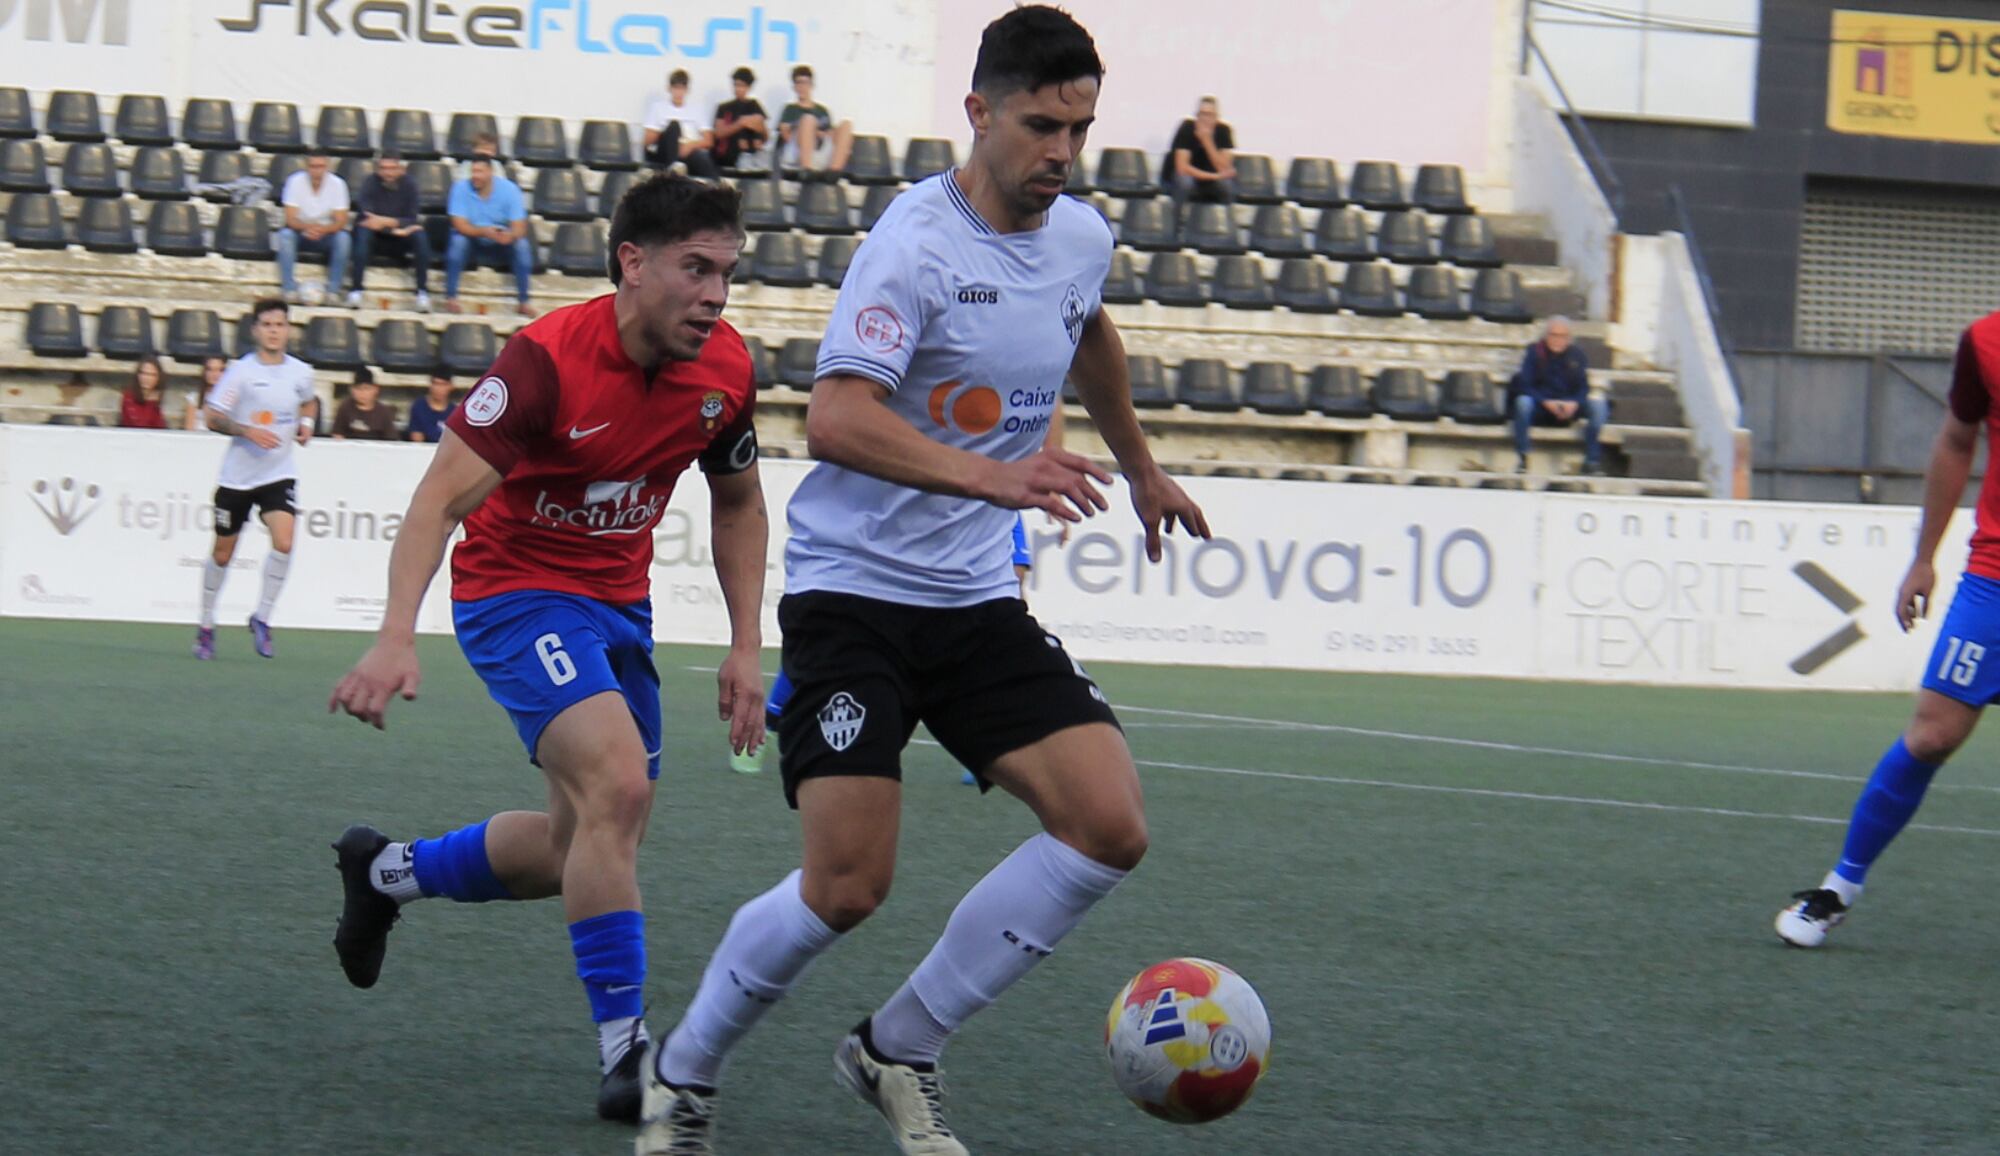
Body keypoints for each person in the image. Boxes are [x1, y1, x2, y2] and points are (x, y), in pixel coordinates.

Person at [640, 10, 1210, 1154]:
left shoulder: (1079, 237)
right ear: (979, 113)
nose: (1060, 150)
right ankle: (684, 1068)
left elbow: (1086, 328)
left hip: (971, 604)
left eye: (1078, 128)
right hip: (853, 595)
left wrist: (1141, 466)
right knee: (847, 884)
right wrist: (993, 478)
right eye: (1041, 125)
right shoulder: (913, 243)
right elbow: (838, 417)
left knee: (1107, 824)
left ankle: (896, 1045)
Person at [325, 174, 767, 1126]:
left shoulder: (727, 370)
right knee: (620, 785)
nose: (715, 295)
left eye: (726, 273)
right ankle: (627, 1056)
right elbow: (438, 502)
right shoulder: (544, 363)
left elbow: (738, 505)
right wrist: (396, 635)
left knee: (580, 846)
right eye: (696, 269)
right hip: (515, 595)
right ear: (631, 263)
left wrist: (745, 646)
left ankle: (384, 873)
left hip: (619, 612)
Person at [1775, 311, 2000, 947]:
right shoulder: (1985, 340)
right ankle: (1838, 891)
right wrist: (1924, 556)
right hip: (1995, 578)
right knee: (1931, 736)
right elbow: (1957, 440)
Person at [195, 298, 318, 661]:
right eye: (267, 325)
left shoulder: (300, 371)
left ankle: (262, 617)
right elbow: (213, 415)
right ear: (255, 330)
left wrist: (307, 425)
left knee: (284, 542)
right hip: (238, 478)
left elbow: (309, 402)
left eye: (280, 324)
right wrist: (246, 430)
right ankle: (205, 624)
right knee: (223, 552)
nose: (274, 331)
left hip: (277, 474)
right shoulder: (241, 373)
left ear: (288, 329)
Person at [1509, 316, 1606, 475]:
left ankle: (1592, 461)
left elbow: (1583, 387)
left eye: (1562, 336)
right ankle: (1523, 457)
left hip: (1569, 406)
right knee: (1522, 403)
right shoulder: (1534, 352)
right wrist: (1546, 402)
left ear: (1569, 338)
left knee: (1599, 407)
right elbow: (1525, 384)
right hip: (1540, 407)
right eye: (1554, 335)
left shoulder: (1577, 355)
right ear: (1546, 335)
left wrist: (1574, 403)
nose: (1557, 340)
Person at [444, 157, 535, 318]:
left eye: (480, 172)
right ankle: (451, 297)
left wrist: (510, 236)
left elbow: (519, 227)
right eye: (473, 171)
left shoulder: (510, 190)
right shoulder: (460, 189)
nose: (475, 176)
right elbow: (459, 224)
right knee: (458, 241)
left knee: (521, 245)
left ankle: (524, 301)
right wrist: (484, 232)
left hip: (500, 242)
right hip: (472, 240)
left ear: (490, 172)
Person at [349, 150, 433, 313]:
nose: (387, 173)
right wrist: (396, 228)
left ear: (401, 169)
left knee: (420, 236)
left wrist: (387, 223)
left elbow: (412, 219)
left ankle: (422, 292)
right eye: (383, 168)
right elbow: (369, 219)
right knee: (363, 231)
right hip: (377, 238)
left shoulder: (410, 185)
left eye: (392, 168)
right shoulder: (370, 182)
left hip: (400, 240)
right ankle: (355, 290)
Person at [277, 149, 352, 306]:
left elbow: (341, 221)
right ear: (306, 166)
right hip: (300, 232)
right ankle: (289, 289)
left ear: (328, 166)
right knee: (285, 236)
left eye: (321, 166)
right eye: (313, 166)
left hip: (326, 234)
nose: (316, 170)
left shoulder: (338, 184)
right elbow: (290, 218)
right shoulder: (294, 181)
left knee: (344, 239)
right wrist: (308, 228)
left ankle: (333, 291)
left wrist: (321, 230)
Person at [1161, 96, 1236, 218]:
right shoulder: (1187, 128)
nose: (1205, 119)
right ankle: (1175, 229)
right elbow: (1182, 168)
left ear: (1216, 117)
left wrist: (1207, 142)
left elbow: (1225, 167)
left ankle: (1227, 226)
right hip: (1189, 177)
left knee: (1227, 185)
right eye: (1202, 114)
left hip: (1210, 180)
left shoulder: (1223, 130)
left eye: (1209, 115)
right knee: (1185, 182)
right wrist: (1215, 176)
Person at [777, 64, 855, 177]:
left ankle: (834, 171)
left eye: (805, 83)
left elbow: (830, 134)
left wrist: (820, 134)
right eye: (799, 83)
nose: (802, 87)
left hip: (820, 149)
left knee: (847, 124)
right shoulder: (790, 109)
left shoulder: (822, 110)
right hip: (798, 151)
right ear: (794, 87)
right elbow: (785, 134)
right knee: (808, 120)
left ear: (811, 85)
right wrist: (808, 132)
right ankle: (806, 169)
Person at [643, 68, 721, 178]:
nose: (678, 92)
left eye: (681, 88)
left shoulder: (697, 110)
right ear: (669, 88)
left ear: (687, 90)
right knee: (674, 126)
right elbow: (648, 140)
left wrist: (690, 145)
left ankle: (717, 186)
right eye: (676, 88)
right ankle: (673, 167)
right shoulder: (658, 108)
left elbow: (708, 141)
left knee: (703, 160)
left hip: (688, 149)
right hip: (665, 150)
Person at [709, 66, 768, 171]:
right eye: (736, 85)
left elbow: (765, 134)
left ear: (749, 87)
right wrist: (740, 124)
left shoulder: (754, 105)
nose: (738, 89)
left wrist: (756, 125)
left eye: (742, 86)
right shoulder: (724, 107)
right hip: (729, 155)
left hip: (751, 155)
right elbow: (718, 133)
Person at [331, 368, 397, 440]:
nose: (362, 393)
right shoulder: (345, 408)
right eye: (358, 389)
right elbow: (337, 434)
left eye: (367, 389)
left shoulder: (384, 412)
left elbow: (391, 439)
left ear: (376, 389)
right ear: (352, 390)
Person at [405, 370, 457, 443]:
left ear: (450, 386)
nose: (439, 389)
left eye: (443, 385)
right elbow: (416, 439)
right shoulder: (419, 407)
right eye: (436, 384)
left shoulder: (455, 412)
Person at [118, 356, 168, 429]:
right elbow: (139, 425)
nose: (147, 378)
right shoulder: (128, 396)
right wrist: (150, 403)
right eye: (143, 373)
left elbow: (159, 428)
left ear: (158, 378)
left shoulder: (157, 398)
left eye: (152, 375)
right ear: (138, 375)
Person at [186, 357, 227, 431]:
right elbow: (189, 428)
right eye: (210, 370)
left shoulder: (231, 399)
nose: (215, 374)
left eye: (220, 370)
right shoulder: (195, 398)